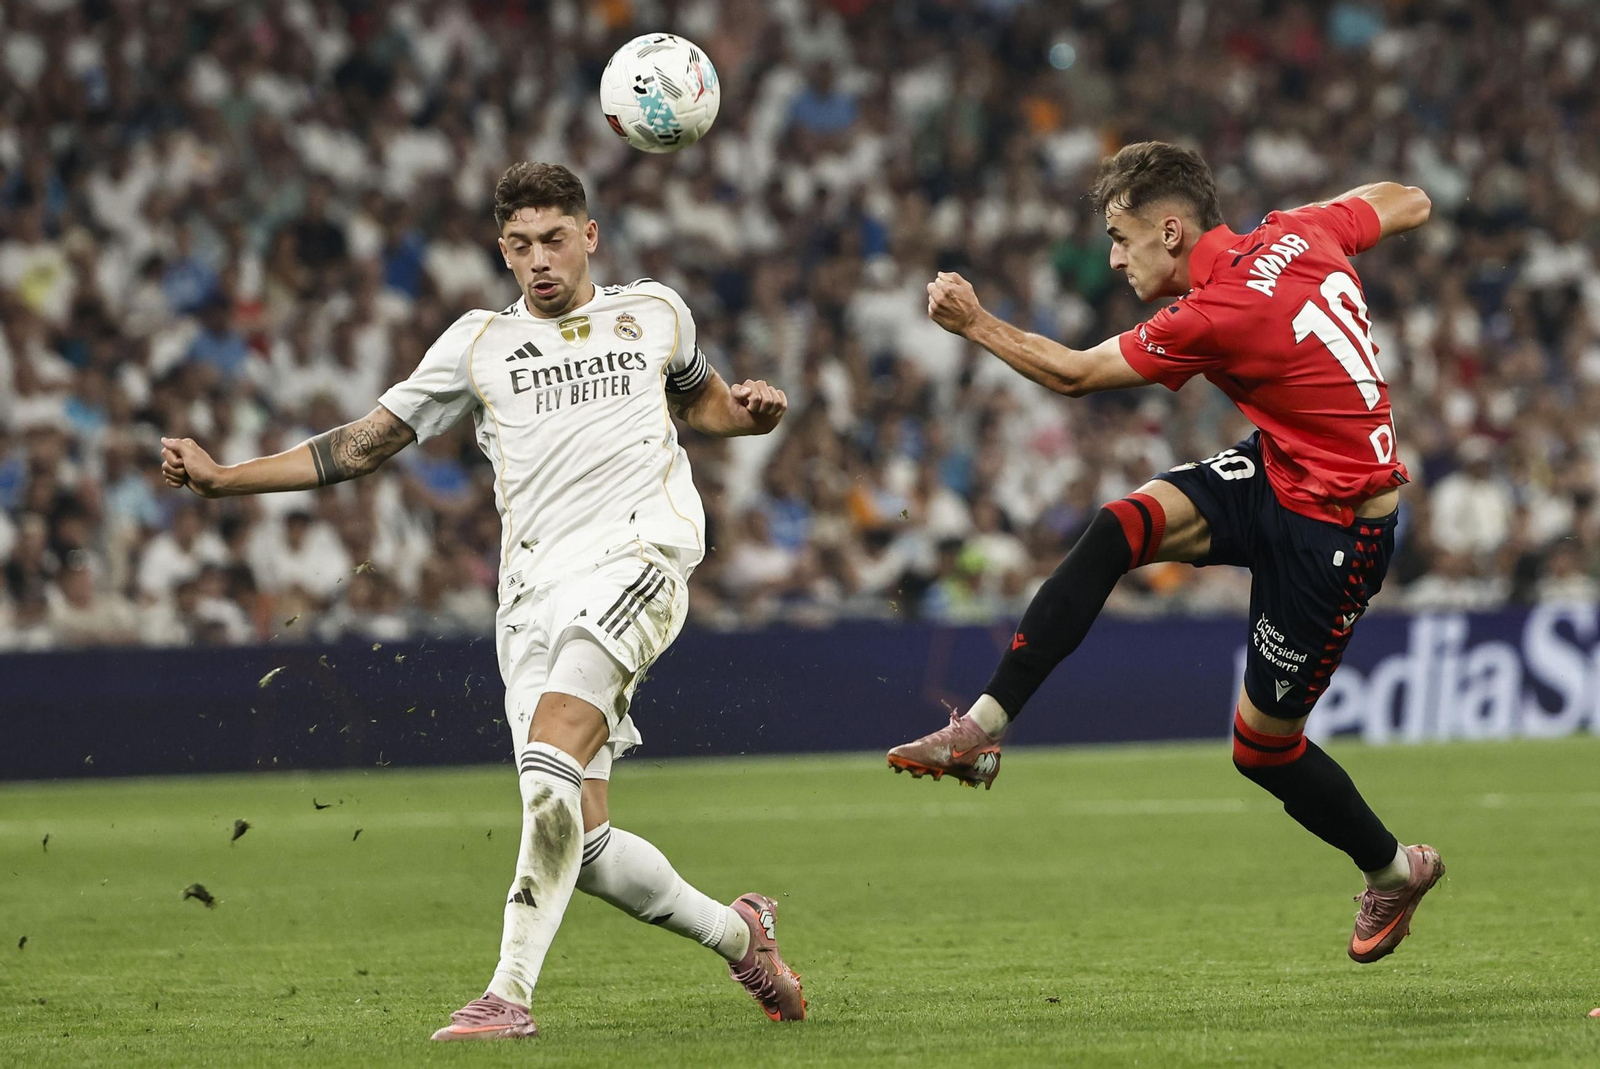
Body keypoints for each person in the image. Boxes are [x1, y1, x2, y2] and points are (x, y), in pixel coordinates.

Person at [159, 162, 805, 1040]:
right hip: (529, 598)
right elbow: (360, 446)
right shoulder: (477, 343)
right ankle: (743, 936)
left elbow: (708, 408)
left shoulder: (655, 312)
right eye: (518, 244)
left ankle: (508, 995)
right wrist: (225, 479)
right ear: (502, 250)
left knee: (546, 773)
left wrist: (752, 414)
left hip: (637, 563)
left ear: (590, 236)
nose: (538, 259)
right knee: (585, 837)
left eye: (552, 238)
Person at [886, 141, 1443, 965]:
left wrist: (977, 323)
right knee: (1120, 526)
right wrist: (1331, 229)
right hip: (1282, 469)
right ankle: (982, 727)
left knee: (1263, 749)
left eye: (1123, 236)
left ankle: (1396, 870)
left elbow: (1075, 374)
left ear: (1173, 231)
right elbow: (1412, 200)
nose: (1114, 257)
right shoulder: (1298, 230)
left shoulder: (1215, 313)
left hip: (1339, 529)